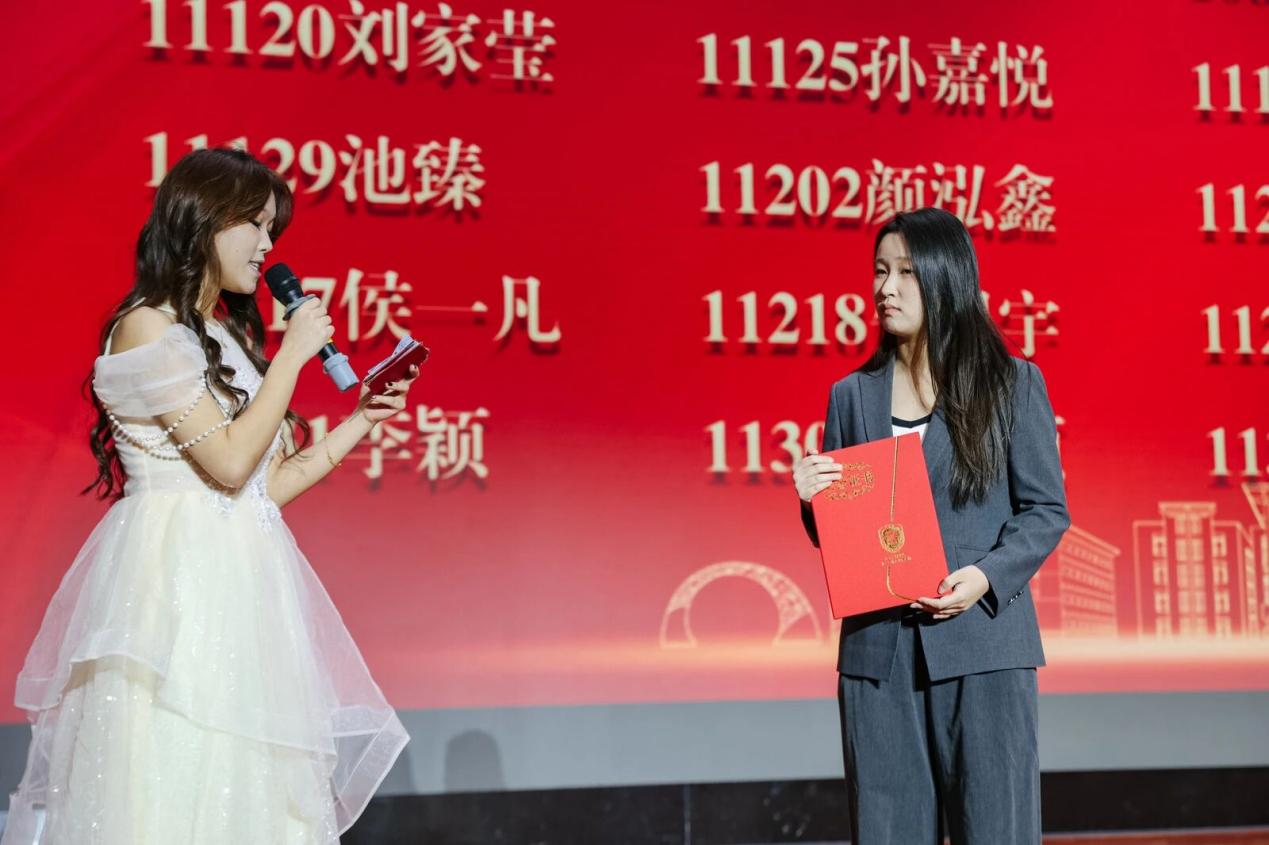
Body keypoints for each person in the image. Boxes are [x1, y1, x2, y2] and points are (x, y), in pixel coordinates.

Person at [3, 148, 413, 844]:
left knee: (248, 790)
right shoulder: (146, 325)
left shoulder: (220, 334)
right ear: (203, 221)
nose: (268, 246)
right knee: (176, 770)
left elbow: (263, 487)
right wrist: (293, 352)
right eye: (255, 224)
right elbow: (227, 462)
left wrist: (360, 421)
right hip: (175, 590)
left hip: (244, 585)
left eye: (273, 228)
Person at [793, 207, 1069, 844]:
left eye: (906, 273)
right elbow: (848, 532)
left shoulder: (1011, 384)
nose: (886, 288)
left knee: (995, 829)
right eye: (879, 272)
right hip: (879, 655)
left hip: (985, 647)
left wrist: (985, 577)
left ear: (946, 278)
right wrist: (814, 502)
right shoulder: (851, 395)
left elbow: (1046, 510)